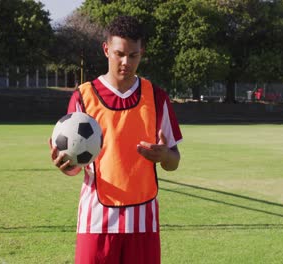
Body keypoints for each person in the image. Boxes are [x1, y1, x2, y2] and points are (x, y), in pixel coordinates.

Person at [49, 15, 183, 264]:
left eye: (133, 55)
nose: (125, 62)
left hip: (143, 221)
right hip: (96, 220)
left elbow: (173, 161)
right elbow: (75, 169)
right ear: (106, 49)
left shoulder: (156, 97)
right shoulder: (83, 97)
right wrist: (65, 165)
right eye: (119, 54)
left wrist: (165, 155)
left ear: (141, 52)